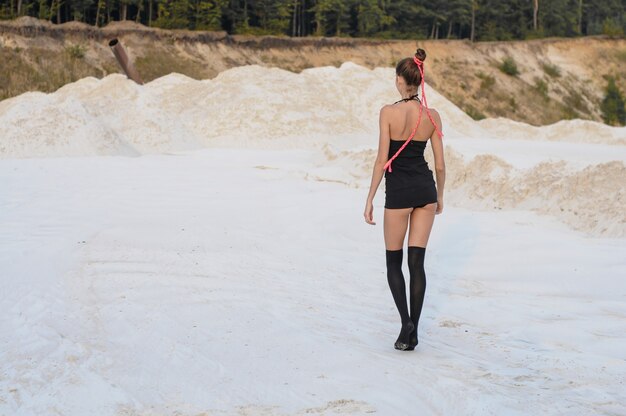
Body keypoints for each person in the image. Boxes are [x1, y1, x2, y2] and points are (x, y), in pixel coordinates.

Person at [363, 48, 446, 351]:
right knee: (417, 264)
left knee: (393, 263)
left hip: (398, 193)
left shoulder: (388, 112)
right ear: (420, 82)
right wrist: (440, 196)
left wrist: (370, 198)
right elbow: (439, 164)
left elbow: (381, 160)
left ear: (400, 80)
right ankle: (414, 332)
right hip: (425, 191)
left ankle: (405, 323)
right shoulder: (432, 115)